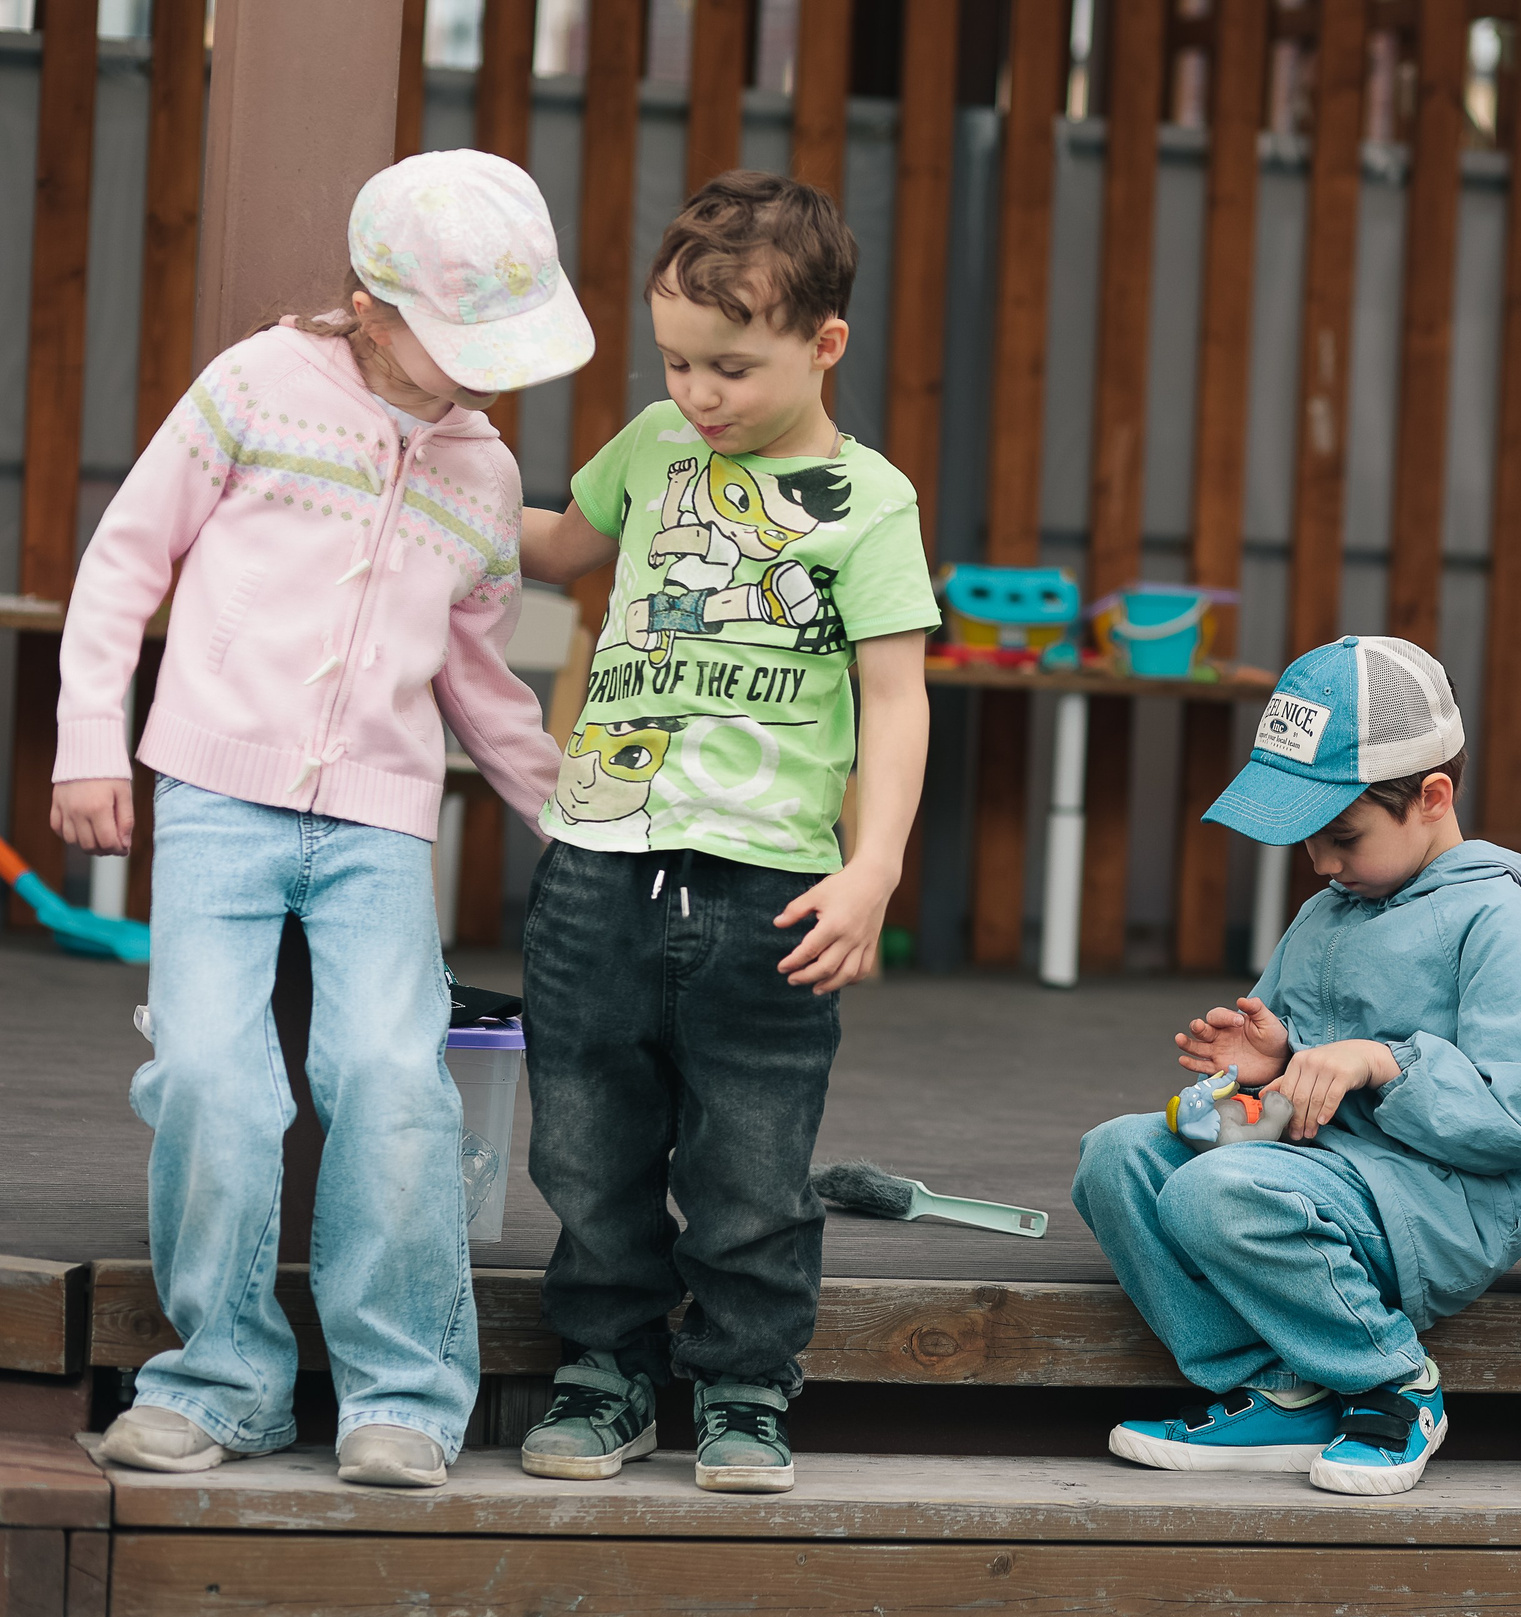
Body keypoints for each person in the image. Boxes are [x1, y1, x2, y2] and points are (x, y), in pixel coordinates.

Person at [52, 151, 588, 1489]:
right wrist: (85, 741)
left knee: (397, 1079)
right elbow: (123, 561)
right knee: (215, 1079)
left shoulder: (480, 469)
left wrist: (575, 820)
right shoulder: (252, 389)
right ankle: (221, 1377)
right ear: (371, 302)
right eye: (459, 340)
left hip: (379, 824)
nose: (481, 372)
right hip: (217, 798)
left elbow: (480, 676)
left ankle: (403, 1388)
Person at [509, 169, 938, 1494]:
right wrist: (425, 479)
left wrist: (873, 867)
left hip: (773, 882)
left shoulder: (871, 501)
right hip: (600, 857)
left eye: (731, 368)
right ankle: (605, 1371)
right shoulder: (652, 446)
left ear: (825, 344)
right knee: (586, 1135)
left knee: (751, 1150)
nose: (698, 393)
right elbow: (559, 548)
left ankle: (746, 1385)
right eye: (679, 362)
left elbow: (895, 697)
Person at [1072, 637, 1521, 1497]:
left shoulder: (1494, 919)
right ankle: (1288, 1387)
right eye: (1308, 841)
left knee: (1216, 1191)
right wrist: (1265, 1068)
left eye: (1342, 836)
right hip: (1318, 1173)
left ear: (1433, 797)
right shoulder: (1328, 911)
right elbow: (1281, 1112)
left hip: (1444, 1199)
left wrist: (1382, 1064)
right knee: (1117, 1155)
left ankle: (1394, 1380)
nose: (1320, 863)